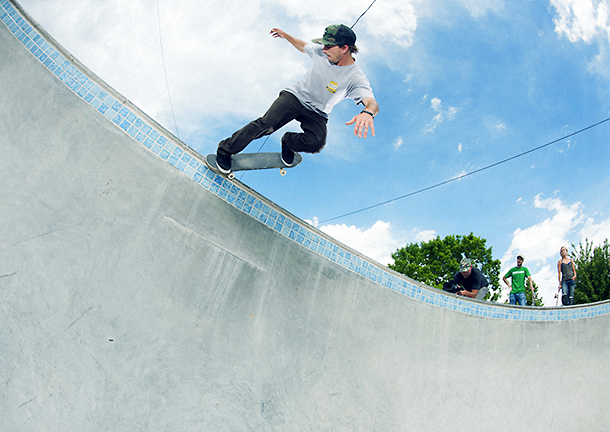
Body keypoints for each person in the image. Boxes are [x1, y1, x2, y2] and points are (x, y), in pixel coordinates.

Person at [213, 24, 379, 174]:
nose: (324, 50)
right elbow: (303, 46)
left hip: (317, 112)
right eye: (323, 45)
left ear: (344, 48)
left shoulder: (355, 77)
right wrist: (286, 35)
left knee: (316, 142)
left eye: (328, 46)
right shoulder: (321, 52)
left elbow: (371, 102)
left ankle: (288, 142)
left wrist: (367, 113)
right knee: (266, 124)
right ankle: (225, 150)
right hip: (295, 97)